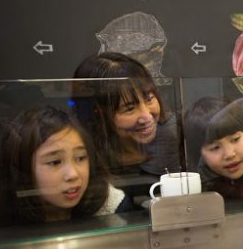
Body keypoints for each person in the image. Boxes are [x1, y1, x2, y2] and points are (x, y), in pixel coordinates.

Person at [0, 106, 130, 228]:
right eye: (55, 162)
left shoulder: (110, 205)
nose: (73, 174)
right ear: (23, 168)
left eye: (80, 158)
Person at [72, 52, 181, 180]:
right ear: (99, 113)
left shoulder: (171, 133)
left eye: (149, 99)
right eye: (130, 109)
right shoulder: (81, 149)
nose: (147, 117)